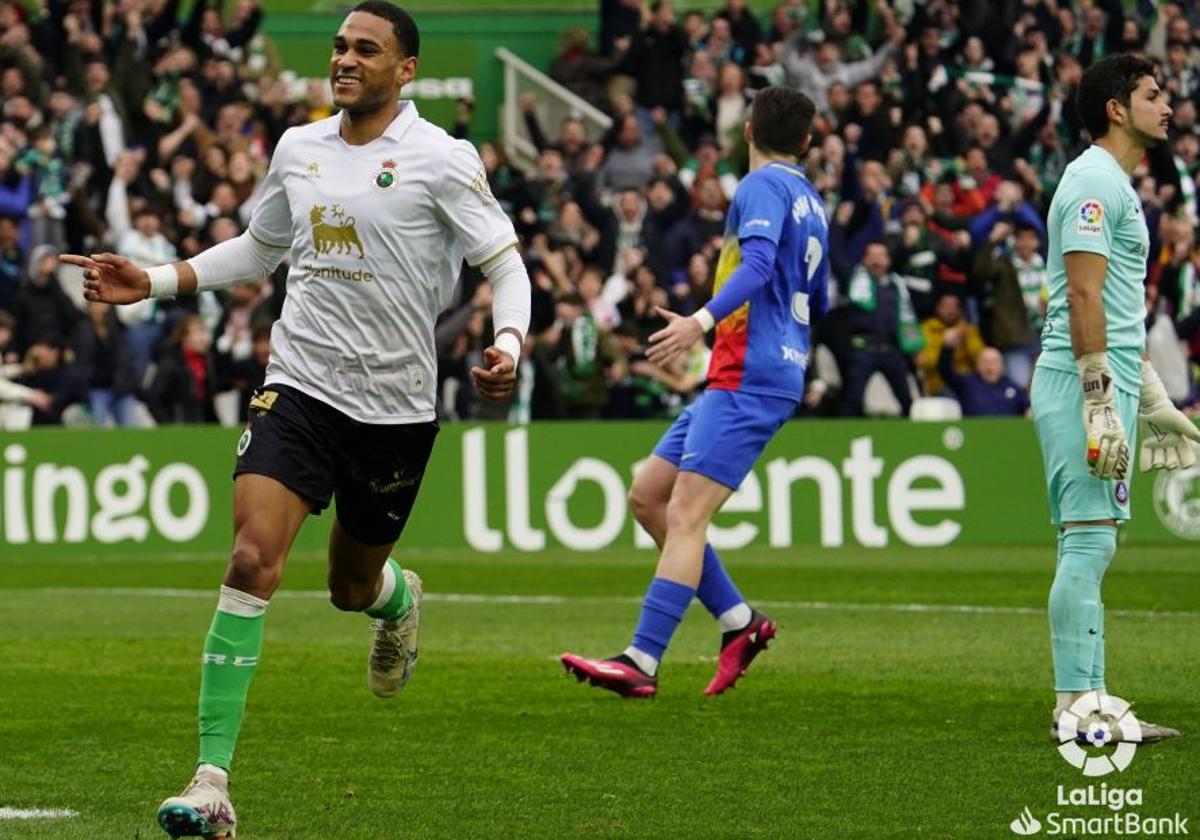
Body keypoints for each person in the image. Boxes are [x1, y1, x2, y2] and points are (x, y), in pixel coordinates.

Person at [61, 3, 530, 837]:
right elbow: (258, 247)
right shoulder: (299, 149)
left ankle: (394, 602)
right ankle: (211, 782)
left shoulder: (442, 159)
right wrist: (159, 282)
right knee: (251, 559)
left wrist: (508, 340)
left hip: (393, 409)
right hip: (300, 384)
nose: (345, 60)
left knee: (349, 587)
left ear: (406, 70)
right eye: (340, 46)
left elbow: (504, 260)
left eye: (366, 50)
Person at [560, 86, 829, 698]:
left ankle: (642, 660)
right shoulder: (812, 201)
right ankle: (740, 623)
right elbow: (820, 296)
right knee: (648, 496)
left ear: (747, 132)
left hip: (748, 371)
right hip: (757, 368)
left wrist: (698, 323)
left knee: (684, 515)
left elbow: (758, 265)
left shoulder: (762, 186)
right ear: (807, 141)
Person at [1032, 54, 1196, 747]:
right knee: (1088, 542)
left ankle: (1091, 697)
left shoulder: (1114, 184)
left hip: (1105, 378)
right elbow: (1083, 294)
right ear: (1116, 109)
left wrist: (1150, 394)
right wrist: (1102, 395)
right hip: (1081, 381)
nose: (1170, 106)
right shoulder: (1094, 182)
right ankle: (1076, 705)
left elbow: (1122, 305)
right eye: (1153, 96)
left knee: (1093, 540)